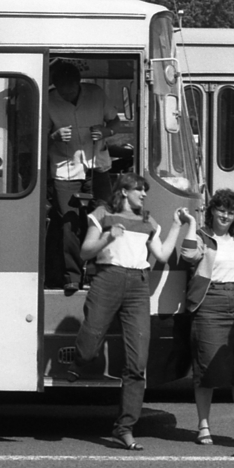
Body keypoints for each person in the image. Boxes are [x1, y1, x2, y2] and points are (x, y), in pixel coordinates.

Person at [75, 173, 178, 450]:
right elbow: (85, 252)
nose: (143, 195)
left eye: (144, 191)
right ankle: (78, 361)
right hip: (108, 278)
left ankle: (125, 428)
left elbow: (163, 255)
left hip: (137, 286)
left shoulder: (147, 220)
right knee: (87, 348)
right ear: (123, 191)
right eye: (138, 190)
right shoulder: (103, 213)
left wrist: (177, 227)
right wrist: (108, 237)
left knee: (137, 363)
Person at [177, 188, 234, 445]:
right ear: (212, 211)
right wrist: (191, 224)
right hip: (210, 303)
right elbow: (188, 255)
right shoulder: (203, 237)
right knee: (207, 368)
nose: (225, 215)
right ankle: (203, 426)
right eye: (221, 210)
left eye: (231, 212)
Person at [46, 61, 121, 292]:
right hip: (65, 170)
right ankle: (72, 277)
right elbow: (35, 134)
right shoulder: (48, 100)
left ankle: (104, 272)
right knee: (70, 224)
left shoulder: (96, 94)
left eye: (70, 90)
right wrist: (54, 135)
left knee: (103, 219)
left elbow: (115, 121)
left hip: (98, 166)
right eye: (61, 91)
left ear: (79, 84)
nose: (66, 95)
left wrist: (106, 131)